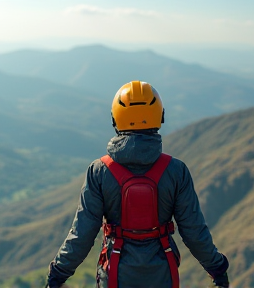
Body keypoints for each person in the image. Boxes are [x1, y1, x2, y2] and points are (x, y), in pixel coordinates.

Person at [45, 80, 229, 288]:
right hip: (162, 273)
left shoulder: (99, 171)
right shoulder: (176, 171)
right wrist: (217, 268)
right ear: (160, 116)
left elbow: (83, 233)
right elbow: (194, 231)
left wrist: (58, 273)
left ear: (116, 119)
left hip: (115, 273)